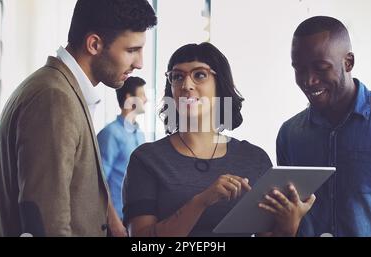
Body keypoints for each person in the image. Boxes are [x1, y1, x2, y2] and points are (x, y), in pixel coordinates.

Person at [0, 0, 157, 236]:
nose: (139, 63)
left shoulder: (62, 90)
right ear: (94, 44)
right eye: (132, 50)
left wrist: (114, 225)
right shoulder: (54, 98)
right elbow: (46, 222)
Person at [122, 42, 315, 237]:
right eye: (177, 76)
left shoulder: (254, 159)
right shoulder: (146, 159)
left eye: (199, 75)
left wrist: (289, 225)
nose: (186, 85)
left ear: (219, 84)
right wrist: (201, 201)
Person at [276, 16, 371, 236]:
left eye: (321, 68)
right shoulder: (290, 134)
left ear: (348, 62)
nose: (309, 80)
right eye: (299, 69)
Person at [97, 76, 147, 220]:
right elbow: (100, 182)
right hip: (116, 218)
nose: (146, 100)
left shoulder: (140, 134)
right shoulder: (110, 134)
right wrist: (113, 221)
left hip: (135, 216)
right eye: (142, 95)